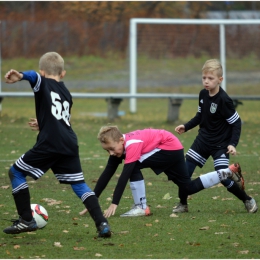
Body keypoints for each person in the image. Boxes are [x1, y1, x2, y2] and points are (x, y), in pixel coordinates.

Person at [3, 52, 111, 237]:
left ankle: (26, 220)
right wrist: (44, 123)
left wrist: (21, 75)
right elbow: (61, 117)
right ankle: (102, 224)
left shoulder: (42, 81)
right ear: (63, 74)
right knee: (79, 185)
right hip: (68, 142)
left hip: (51, 142)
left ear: (42, 72)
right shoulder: (66, 93)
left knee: (16, 172)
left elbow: (33, 76)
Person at [81, 125, 241, 218]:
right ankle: (226, 173)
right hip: (174, 147)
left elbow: (124, 176)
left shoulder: (131, 145)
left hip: (168, 148)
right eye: (106, 150)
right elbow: (107, 174)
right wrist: (92, 202)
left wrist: (114, 203)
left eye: (111, 149)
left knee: (133, 166)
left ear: (121, 140)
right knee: (188, 188)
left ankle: (141, 207)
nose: (111, 153)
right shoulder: (120, 146)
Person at [174, 59, 257, 214]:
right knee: (183, 175)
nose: (206, 81)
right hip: (202, 141)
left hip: (220, 145)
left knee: (224, 178)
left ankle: (247, 199)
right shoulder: (203, 94)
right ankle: (183, 204)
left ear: (220, 80)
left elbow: (236, 123)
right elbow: (200, 116)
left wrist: (232, 144)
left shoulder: (224, 100)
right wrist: (186, 126)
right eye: (204, 78)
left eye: (210, 78)